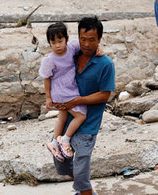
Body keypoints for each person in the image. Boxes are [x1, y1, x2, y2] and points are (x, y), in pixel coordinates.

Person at [52, 16, 115, 195]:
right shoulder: (71, 55)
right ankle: (86, 192)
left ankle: (85, 191)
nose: (87, 44)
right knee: (62, 164)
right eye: (83, 39)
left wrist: (78, 101)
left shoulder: (105, 64)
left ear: (99, 39)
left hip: (87, 126)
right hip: (66, 121)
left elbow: (104, 94)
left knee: (80, 172)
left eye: (92, 40)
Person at [39, 23, 88, 161]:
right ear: (49, 43)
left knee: (62, 117)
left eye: (60, 41)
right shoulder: (50, 60)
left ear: (66, 39)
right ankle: (65, 139)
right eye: (53, 42)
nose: (58, 45)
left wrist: (99, 49)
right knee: (81, 115)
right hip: (62, 93)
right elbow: (47, 79)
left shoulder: (71, 48)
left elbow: (85, 44)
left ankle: (54, 143)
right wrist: (48, 98)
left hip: (70, 88)